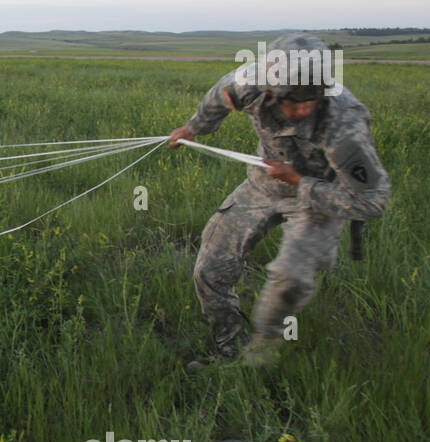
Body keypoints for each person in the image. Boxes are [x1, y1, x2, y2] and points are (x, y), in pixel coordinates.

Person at [167, 33, 390, 367]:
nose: (302, 109)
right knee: (210, 267)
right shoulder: (249, 84)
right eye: (293, 100)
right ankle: (229, 345)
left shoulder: (345, 125)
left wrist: (300, 181)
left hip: (321, 199)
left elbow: (372, 201)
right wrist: (193, 128)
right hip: (263, 187)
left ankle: (259, 356)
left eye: (311, 99)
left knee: (290, 279)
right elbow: (219, 95)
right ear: (271, 90)